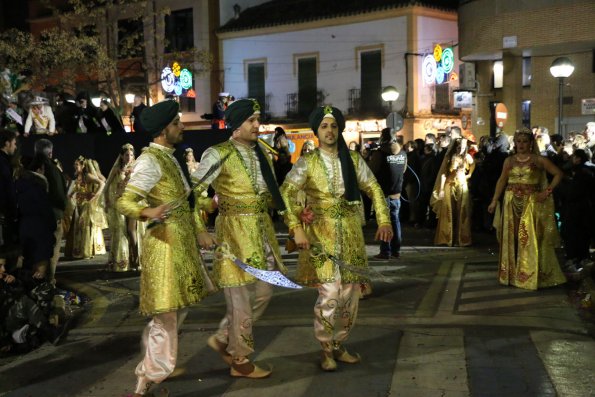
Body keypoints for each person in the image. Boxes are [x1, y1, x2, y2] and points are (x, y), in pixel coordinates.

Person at [280, 105, 392, 371]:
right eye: (324, 126)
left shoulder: (353, 160)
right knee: (329, 293)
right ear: (317, 131)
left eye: (333, 126)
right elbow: (286, 191)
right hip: (321, 235)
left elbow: (373, 187)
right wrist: (296, 224)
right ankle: (325, 348)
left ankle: (340, 343)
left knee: (351, 294)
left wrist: (384, 220)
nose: (329, 131)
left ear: (339, 129)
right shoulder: (308, 162)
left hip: (351, 233)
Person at [116, 100, 211, 396]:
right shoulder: (150, 161)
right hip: (164, 249)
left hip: (179, 247)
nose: (182, 128)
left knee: (170, 315)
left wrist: (200, 231)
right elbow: (125, 202)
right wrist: (149, 212)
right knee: (165, 315)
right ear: (162, 130)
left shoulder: (170, 157)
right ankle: (147, 378)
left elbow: (186, 203)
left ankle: (153, 373)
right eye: (176, 124)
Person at [192, 98, 286, 379]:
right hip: (232, 235)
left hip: (262, 234)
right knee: (240, 300)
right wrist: (200, 229)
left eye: (258, 120)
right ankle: (240, 359)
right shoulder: (218, 153)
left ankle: (223, 338)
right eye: (251, 121)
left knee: (265, 292)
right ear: (236, 125)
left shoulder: (262, 155)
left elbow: (269, 194)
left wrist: (294, 216)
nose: (258, 125)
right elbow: (194, 193)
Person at [487, 129, 566, 290]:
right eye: (518, 141)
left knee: (528, 237)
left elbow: (558, 174)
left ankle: (529, 273)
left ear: (531, 143)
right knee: (512, 236)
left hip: (531, 203)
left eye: (524, 141)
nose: (521, 144)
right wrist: (494, 200)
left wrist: (547, 191)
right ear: (514, 143)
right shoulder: (509, 161)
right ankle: (513, 272)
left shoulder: (539, 160)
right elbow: (502, 180)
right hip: (511, 202)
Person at [14, 154, 56, 280]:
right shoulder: (38, 187)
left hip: (25, 231)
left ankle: (27, 292)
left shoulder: (16, 187)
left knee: (27, 268)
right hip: (41, 232)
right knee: (40, 272)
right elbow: (47, 212)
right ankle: (41, 293)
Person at [369, 128, 407, 260]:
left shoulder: (379, 154)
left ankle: (385, 251)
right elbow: (403, 170)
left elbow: (371, 172)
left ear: (382, 138)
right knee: (395, 221)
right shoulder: (402, 153)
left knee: (384, 223)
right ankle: (396, 250)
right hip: (396, 193)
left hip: (383, 193)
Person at [33, 139, 68, 284]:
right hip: (52, 216)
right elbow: (60, 196)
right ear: (51, 152)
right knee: (52, 252)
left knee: (35, 250)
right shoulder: (53, 170)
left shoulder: (26, 167)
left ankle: (34, 282)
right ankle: (48, 283)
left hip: (32, 217)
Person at [105, 144, 143, 271]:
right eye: (127, 155)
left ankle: (136, 261)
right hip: (120, 204)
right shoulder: (117, 169)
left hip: (132, 202)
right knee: (122, 231)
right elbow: (106, 186)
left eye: (131, 155)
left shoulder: (136, 168)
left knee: (132, 231)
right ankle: (122, 261)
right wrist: (107, 201)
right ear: (122, 156)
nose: (129, 157)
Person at [431, 138, 474, 247]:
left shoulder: (467, 157)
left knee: (462, 211)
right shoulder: (449, 157)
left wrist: (469, 174)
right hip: (449, 185)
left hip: (462, 185)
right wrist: (441, 189)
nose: (461, 150)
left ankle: (461, 239)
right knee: (448, 211)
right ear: (455, 147)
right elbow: (443, 173)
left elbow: (473, 164)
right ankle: (447, 238)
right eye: (459, 148)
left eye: (463, 148)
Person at [63, 156, 106, 259]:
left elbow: (102, 183)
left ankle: (85, 252)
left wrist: (95, 195)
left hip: (86, 205)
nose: (75, 166)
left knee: (84, 228)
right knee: (78, 228)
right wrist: (70, 194)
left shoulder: (87, 176)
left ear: (82, 166)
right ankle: (78, 251)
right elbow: (76, 189)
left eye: (77, 164)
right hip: (78, 205)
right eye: (75, 164)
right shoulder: (78, 176)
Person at [0, 129, 19, 260]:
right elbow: (7, 190)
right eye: (14, 143)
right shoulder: (2, 163)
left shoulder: (4, 162)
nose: (15, 146)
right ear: (7, 143)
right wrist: (13, 212)